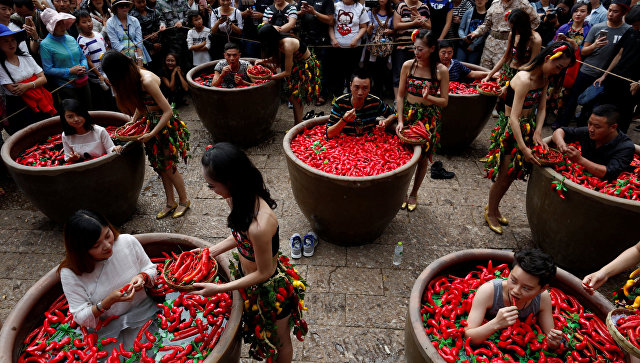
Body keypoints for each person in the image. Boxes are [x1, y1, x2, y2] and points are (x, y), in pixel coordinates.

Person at [191, 142, 308, 363]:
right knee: (263, 334)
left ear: (230, 182)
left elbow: (265, 272)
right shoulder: (235, 198)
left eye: (211, 185)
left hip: (269, 287)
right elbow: (239, 238)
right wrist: (210, 251)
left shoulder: (261, 224)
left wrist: (220, 288)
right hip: (247, 279)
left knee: (280, 340)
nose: (211, 190)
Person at [484, 41, 575, 234]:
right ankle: (490, 211)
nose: (559, 72)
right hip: (510, 130)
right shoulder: (524, 79)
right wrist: (524, 149)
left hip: (527, 128)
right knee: (504, 176)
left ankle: (494, 207)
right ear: (549, 58)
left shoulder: (544, 78)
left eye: (562, 69)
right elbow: (514, 119)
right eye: (558, 67)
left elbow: (542, 109)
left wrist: (537, 132)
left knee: (511, 175)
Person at [102, 50, 191, 219]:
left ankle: (184, 200)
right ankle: (170, 202)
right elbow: (141, 104)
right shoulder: (133, 78)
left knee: (170, 167)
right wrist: (133, 121)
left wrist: (151, 133)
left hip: (164, 126)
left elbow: (168, 112)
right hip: (149, 123)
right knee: (159, 166)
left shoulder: (147, 80)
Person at [58, 210, 158, 347]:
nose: (107, 245)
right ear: (81, 250)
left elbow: (151, 269)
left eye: (107, 235)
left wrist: (143, 277)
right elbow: (80, 316)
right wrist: (107, 302)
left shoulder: (127, 242)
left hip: (145, 311)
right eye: (96, 246)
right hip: (108, 328)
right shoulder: (71, 274)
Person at [465, 249, 563, 350]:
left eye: (526, 288)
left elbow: (550, 335)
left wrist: (554, 343)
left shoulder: (542, 298)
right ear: (510, 272)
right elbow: (468, 337)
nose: (516, 291)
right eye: (513, 280)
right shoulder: (489, 292)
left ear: (542, 289)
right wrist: (496, 323)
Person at [554, 0, 630, 129]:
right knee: (573, 100)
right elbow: (584, 51)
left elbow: (620, 55)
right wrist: (595, 45)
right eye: (610, 10)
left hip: (605, 75)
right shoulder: (597, 27)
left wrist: (605, 75)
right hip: (587, 70)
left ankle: (583, 130)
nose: (610, 14)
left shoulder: (627, 30)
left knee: (592, 105)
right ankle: (562, 126)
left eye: (615, 11)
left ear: (623, 13)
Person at [396, 29, 449, 212]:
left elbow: (444, 101)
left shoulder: (441, 70)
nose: (416, 53)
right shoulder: (408, 66)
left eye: (421, 49)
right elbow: (400, 96)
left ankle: (414, 192)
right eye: (415, 48)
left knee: (423, 158)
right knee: (405, 155)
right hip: (409, 116)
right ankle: (402, 191)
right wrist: (401, 120)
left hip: (428, 118)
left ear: (432, 49)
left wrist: (429, 97)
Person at [257, 24, 320, 125]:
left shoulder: (287, 45)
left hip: (305, 67)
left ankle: (298, 124)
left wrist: (269, 77)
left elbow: (287, 72)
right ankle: (298, 123)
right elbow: (280, 59)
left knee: (296, 98)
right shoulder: (278, 41)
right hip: (295, 64)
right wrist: (263, 61)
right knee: (293, 97)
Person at [552, 104, 635, 180]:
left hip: (605, 187)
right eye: (589, 123)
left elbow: (610, 172)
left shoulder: (625, 146)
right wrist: (561, 144)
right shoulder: (587, 132)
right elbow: (559, 131)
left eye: (597, 126)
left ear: (613, 127)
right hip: (581, 175)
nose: (591, 129)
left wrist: (580, 160)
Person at [593, 6, 640, 133]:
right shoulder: (631, 32)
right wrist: (605, 75)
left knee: (624, 113)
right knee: (606, 107)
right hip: (616, 76)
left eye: (636, 24)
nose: (634, 27)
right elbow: (618, 54)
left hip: (631, 82)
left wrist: (639, 82)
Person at [0, 25, 53, 134]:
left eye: (13, 40)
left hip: (39, 100)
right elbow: (14, 90)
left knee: (48, 131)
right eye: (6, 41)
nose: (11, 44)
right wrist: (35, 81)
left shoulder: (26, 57)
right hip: (19, 106)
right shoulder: (1, 66)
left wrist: (27, 85)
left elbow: (44, 79)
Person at [547, 1, 591, 125]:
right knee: (550, 90)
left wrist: (573, 44)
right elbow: (552, 44)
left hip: (574, 65)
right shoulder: (564, 27)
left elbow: (585, 51)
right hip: (558, 63)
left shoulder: (588, 30)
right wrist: (557, 41)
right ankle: (544, 115)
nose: (578, 14)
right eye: (576, 11)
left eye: (582, 11)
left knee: (566, 94)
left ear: (588, 13)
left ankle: (559, 120)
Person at [40, 8, 93, 108]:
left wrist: (84, 67)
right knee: (75, 111)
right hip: (66, 85)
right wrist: (70, 71)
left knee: (89, 108)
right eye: (58, 24)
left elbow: (82, 57)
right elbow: (47, 69)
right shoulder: (45, 45)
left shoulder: (71, 38)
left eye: (63, 23)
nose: (62, 27)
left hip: (83, 80)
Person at [468, 0, 539, 71]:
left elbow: (536, 21)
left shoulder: (523, 3)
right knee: (483, 72)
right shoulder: (495, 3)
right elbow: (487, 24)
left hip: (507, 46)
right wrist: (476, 33)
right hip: (490, 45)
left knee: (500, 75)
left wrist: (520, 34)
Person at [482, 9, 542, 91]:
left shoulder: (535, 40)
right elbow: (505, 57)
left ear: (523, 26)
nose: (513, 31)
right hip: (509, 71)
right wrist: (489, 75)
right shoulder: (512, 34)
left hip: (523, 75)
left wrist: (510, 85)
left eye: (515, 28)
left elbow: (531, 64)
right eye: (511, 27)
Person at [326, 69, 395, 139]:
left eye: (365, 88)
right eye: (356, 87)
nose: (360, 93)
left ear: (369, 88)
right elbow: (329, 134)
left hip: (367, 141)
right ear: (350, 86)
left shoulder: (375, 102)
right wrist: (344, 120)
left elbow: (394, 114)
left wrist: (386, 122)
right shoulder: (340, 102)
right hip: (344, 142)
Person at [327, 0, 368, 100]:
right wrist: (333, 39)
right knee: (337, 74)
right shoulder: (336, 6)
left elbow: (363, 27)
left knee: (352, 74)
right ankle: (337, 98)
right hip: (337, 48)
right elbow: (330, 25)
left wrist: (356, 39)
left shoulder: (360, 8)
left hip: (354, 49)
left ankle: (351, 98)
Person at [75, 9, 114, 111]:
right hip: (97, 78)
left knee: (113, 98)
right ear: (78, 25)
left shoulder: (98, 34)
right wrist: (100, 76)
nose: (89, 24)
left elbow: (106, 50)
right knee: (103, 102)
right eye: (84, 22)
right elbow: (88, 61)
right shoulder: (81, 41)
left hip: (108, 72)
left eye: (90, 20)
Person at [296, 0, 334, 106]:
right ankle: (307, 93)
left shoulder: (328, 1)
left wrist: (314, 13)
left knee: (321, 69)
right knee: (305, 68)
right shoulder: (303, 1)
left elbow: (330, 20)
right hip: (305, 39)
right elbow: (294, 16)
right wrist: (300, 13)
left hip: (322, 40)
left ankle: (321, 94)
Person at [392, 0, 430, 100]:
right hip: (402, 47)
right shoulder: (401, 6)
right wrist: (413, 23)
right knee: (399, 75)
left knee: (415, 74)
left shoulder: (424, 7)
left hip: (419, 49)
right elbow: (396, 25)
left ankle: (412, 99)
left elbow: (429, 27)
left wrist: (420, 19)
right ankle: (397, 100)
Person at [105, 0, 150, 67]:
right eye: (121, 6)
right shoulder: (110, 22)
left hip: (138, 55)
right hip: (121, 57)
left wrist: (140, 58)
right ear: (115, 8)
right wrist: (127, 58)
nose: (124, 8)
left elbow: (139, 41)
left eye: (126, 5)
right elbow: (115, 44)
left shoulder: (134, 20)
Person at [363, 0, 393, 99]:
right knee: (372, 70)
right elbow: (367, 32)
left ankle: (382, 93)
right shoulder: (371, 12)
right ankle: (373, 93)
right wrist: (370, 28)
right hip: (373, 47)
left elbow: (395, 29)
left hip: (386, 48)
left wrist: (390, 31)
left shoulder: (392, 13)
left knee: (384, 70)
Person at [129, 0, 166, 73]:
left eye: (143, 2)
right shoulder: (131, 17)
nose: (142, 4)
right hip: (144, 48)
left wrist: (156, 34)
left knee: (161, 68)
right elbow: (135, 36)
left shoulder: (153, 12)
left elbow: (160, 24)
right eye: (139, 2)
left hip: (158, 45)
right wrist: (152, 46)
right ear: (134, 2)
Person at [456, 0, 487, 65]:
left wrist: (474, 45)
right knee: (459, 65)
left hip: (476, 47)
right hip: (463, 44)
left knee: (471, 67)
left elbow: (484, 34)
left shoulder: (488, 15)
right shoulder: (468, 12)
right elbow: (461, 28)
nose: (479, 1)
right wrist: (464, 37)